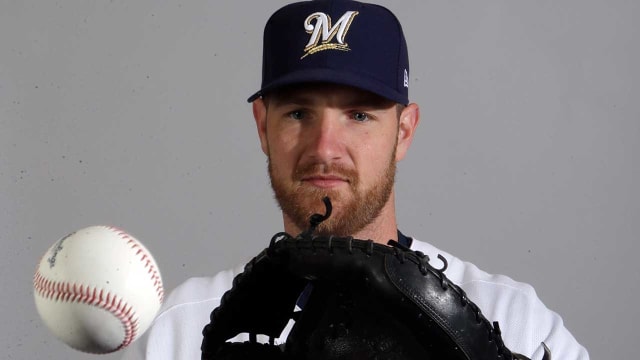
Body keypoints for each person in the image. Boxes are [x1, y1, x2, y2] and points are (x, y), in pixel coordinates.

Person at [122, 0, 589, 359]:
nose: (324, 147)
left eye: (359, 114)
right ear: (263, 126)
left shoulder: (516, 322)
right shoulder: (181, 330)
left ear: (403, 131)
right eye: (299, 112)